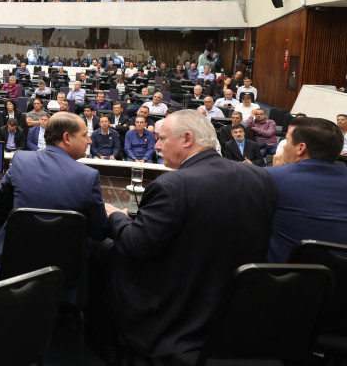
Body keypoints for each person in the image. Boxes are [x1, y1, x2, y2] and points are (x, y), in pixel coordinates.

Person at [98, 110, 277, 357]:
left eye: (162, 138)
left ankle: (106, 347)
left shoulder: (171, 185)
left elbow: (136, 245)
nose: (157, 145)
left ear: (187, 139)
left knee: (104, 251)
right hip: (239, 312)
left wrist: (114, 215)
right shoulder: (261, 178)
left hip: (177, 313)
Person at [0, 113, 107, 283]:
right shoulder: (89, 177)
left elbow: (1, 197)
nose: (90, 141)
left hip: (10, 268)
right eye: (85, 135)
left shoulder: (21, 159)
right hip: (62, 275)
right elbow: (99, 231)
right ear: (67, 138)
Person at [266, 117, 347, 262]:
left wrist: (276, 172)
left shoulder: (270, 178)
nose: (283, 146)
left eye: (287, 140)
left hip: (284, 278)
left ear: (300, 148)